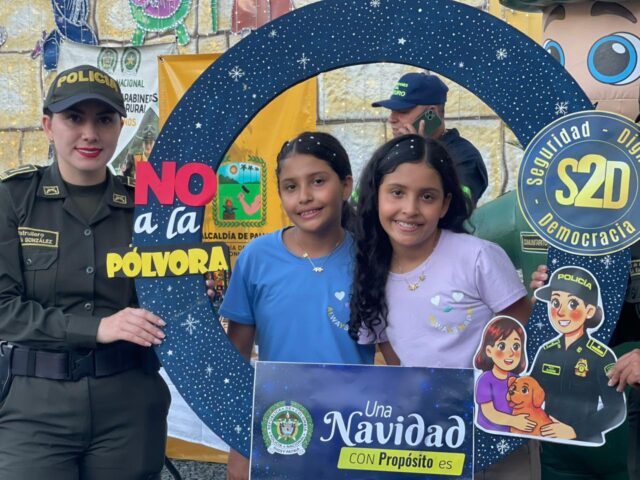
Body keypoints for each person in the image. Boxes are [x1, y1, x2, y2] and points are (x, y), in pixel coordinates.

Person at [0, 64, 169, 479]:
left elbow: (166, 303)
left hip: (129, 404)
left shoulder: (148, 209)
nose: (90, 133)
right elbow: (3, 309)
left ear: (120, 127)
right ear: (48, 125)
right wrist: (96, 328)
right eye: (74, 118)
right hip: (34, 408)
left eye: (104, 119)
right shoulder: (14, 200)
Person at [348, 134, 536, 479]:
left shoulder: (477, 257)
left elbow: (522, 333)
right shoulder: (369, 270)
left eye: (427, 196)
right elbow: (394, 357)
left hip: (495, 432)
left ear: (445, 204)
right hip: (426, 437)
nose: (410, 208)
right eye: (397, 193)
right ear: (375, 196)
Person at [215, 131, 375, 480]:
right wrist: (240, 446)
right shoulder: (256, 258)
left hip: (354, 429)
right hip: (281, 426)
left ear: (346, 186)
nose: (304, 197)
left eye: (318, 181)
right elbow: (236, 358)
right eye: (291, 187)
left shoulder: (371, 260)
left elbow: (398, 356)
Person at [529, 266, 626, 443]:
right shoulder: (546, 351)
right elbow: (529, 393)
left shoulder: (601, 356)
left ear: (589, 311)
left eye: (572, 304)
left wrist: (575, 431)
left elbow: (616, 409)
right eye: (555, 303)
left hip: (588, 447)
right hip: (549, 445)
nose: (560, 312)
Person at [372, 72, 488, 204]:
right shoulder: (392, 152)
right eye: (391, 111)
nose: (391, 119)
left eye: (402, 111)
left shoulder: (465, 156)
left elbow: (458, 208)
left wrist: (416, 156)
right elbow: (360, 202)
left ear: (430, 114)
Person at [474, 316, 535, 434]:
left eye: (516, 346)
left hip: (513, 434)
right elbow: (489, 412)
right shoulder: (485, 380)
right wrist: (514, 421)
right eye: (502, 346)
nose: (510, 353)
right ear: (489, 351)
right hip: (488, 434)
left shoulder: (517, 380)